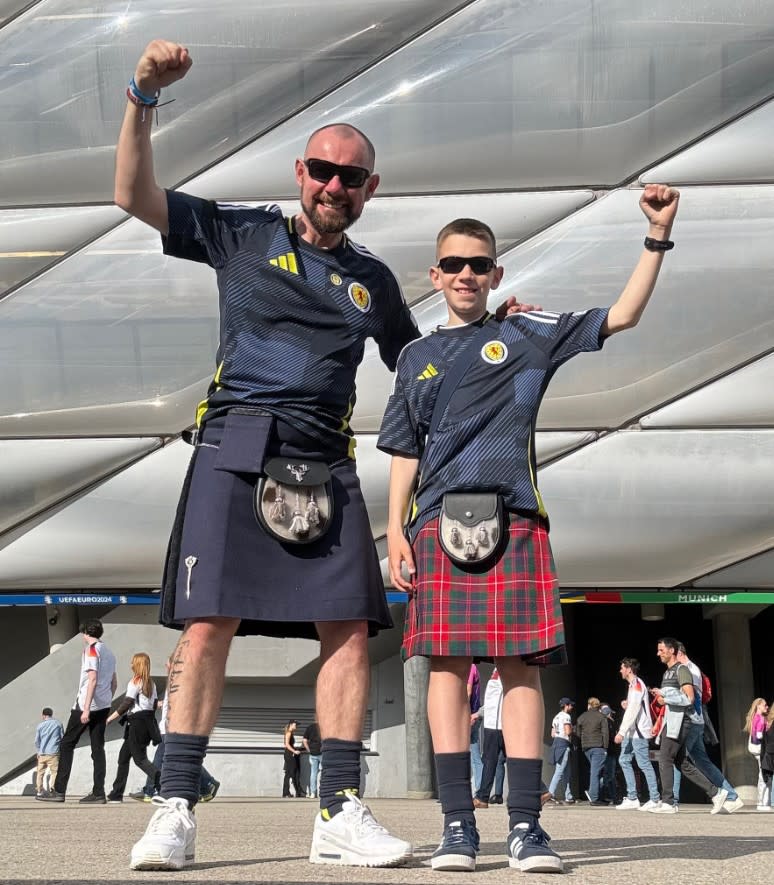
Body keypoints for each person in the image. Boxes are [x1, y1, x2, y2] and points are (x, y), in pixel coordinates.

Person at [117, 38, 427, 872]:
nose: (334, 185)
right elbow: (133, 194)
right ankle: (174, 806)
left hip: (326, 457)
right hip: (237, 439)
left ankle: (337, 811)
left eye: (351, 177)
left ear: (370, 189)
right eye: (323, 170)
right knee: (208, 623)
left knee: (352, 632)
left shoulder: (374, 283)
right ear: (300, 171)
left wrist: (495, 326)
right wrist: (142, 95)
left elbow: (420, 368)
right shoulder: (238, 234)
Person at [381, 184, 679, 873]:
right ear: (435, 275)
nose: (465, 274)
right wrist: (394, 530)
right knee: (447, 670)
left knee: (520, 670)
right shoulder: (413, 360)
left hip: (514, 518)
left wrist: (657, 234)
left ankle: (525, 827)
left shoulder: (528, 334)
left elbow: (624, 315)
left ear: (496, 274)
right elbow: (402, 450)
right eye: (453, 263)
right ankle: (458, 827)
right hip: (436, 525)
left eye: (478, 264)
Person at [648, 637, 728, 814]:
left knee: (665, 757)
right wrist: (662, 694)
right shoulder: (667, 673)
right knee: (681, 762)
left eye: (661, 650)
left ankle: (668, 802)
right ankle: (716, 793)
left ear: (671, 651)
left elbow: (689, 698)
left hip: (681, 721)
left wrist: (665, 698)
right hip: (673, 720)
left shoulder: (682, 670)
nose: (658, 653)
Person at [40, 619, 117, 803]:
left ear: (85, 634)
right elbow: (114, 682)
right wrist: (107, 700)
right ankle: (99, 792)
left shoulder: (91, 650)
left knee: (67, 743)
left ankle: (59, 790)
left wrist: (86, 709)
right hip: (104, 705)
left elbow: (92, 679)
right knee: (98, 748)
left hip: (85, 704)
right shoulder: (109, 652)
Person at [131, 656, 219, 804]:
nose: (165, 665)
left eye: (168, 663)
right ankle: (207, 784)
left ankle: (150, 790)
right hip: (170, 727)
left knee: (161, 760)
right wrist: (161, 703)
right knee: (180, 759)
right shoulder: (175, 681)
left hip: (172, 728)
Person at [671, 644, 742, 813]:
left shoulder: (688, 669)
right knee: (702, 761)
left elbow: (691, 696)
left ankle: (671, 801)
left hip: (691, 721)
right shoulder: (693, 668)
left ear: (679, 652)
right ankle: (731, 796)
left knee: (676, 757)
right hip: (696, 721)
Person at [105, 653, 161, 803]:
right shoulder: (151, 683)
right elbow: (154, 704)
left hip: (136, 724)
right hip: (145, 723)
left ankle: (162, 783)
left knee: (140, 759)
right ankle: (116, 793)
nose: (130, 664)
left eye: (132, 662)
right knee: (123, 757)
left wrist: (110, 718)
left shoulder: (135, 681)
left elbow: (127, 702)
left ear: (137, 665)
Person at [613, 658, 660, 811]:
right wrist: (627, 705)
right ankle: (632, 797)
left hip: (638, 731)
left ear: (629, 669)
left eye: (622, 668)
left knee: (643, 763)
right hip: (632, 731)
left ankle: (655, 798)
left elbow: (634, 710)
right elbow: (633, 706)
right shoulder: (633, 685)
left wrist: (621, 732)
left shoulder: (637, 685)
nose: (620, 670)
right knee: (624, 760)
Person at [472, 670, 506, 809]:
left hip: (497, 723)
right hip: (495, 720)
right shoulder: (498, 668)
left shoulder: (506, 664)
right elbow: (494, 699)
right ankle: (540, 789)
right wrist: (479, 713)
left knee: (489, 760)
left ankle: (482, 797)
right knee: (494, 760)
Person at [576, 698, 609, 806]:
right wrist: (605, 748)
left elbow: (577, 731)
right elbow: (605, 733)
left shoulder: (582, 716)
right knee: (596, 772)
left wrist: (583, 740)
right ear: (598, 706)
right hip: (598, 747)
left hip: (586, 748)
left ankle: (599, 796)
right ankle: (594, 797)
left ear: (589, 705)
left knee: (597, 772)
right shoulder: (601, 717)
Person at [547, 698, 575, 804]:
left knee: (566, 772)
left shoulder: (556, 717)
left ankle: (568, 796)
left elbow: (552, 734)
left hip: (556, 743)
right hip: (563, 744)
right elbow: (568, 731)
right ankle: (550, 794)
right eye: (570, 705)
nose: (572, 707)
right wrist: (573, 730)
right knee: (559, 771)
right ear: (566, 705)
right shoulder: (566, 716)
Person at [744, 697, 770, 810]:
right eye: (765, 705)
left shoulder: (754, 718)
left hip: (756, 749)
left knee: (762, 774)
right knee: (764, 775)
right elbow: (759, 736)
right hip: (761, 749)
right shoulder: (760, 718)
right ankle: (763, 803)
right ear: (759, 706)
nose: (767, 707)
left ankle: (763, 802)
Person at [33, 708, 63, 799]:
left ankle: (39, 791)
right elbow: (62, 738)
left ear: (43, 715)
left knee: (40, 772)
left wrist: (38, 751)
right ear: (51, 714)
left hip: (42, 753)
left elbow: (36, 741)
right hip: (53, 753)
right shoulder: (58, 724)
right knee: (55, 772)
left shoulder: (40, 726)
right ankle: (52, 790)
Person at [599, 704, 619, 805]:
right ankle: (607, 795)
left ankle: (609, 795)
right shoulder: (608, 722)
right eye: (610, 713)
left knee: (607, 774)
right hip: (609, 751)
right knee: (609, 775)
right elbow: (611, 737)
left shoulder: (602, 722)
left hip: (607, 751)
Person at [283, 720, 303, 798]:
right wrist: (294, 751)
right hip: (289, 755)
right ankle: (293, 792)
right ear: (291, 724)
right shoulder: (289, 733)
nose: (296, 726)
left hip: (289, 753)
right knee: (292, 773)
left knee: (288, 773)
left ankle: (286, 792)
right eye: (295, 725)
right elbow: (287, 744)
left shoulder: (290, 732)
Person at [303, 720, 322, 799]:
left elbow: (304, 741)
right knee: (324, 773)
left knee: (313, 773)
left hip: (313, 753)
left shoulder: (310, 727)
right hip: (323, 752)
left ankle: (313, 793)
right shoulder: (324, 727)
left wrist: (309, 750)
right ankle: (323, 792)